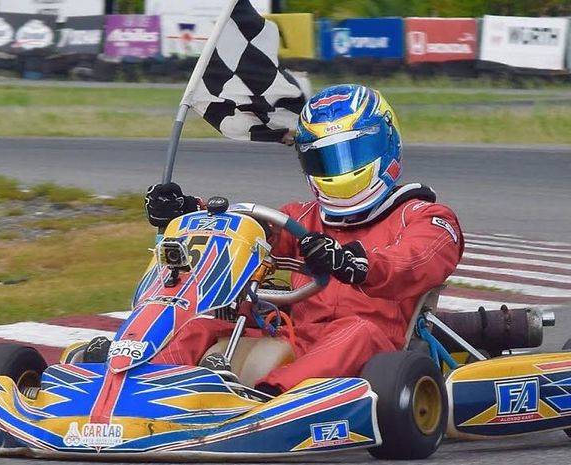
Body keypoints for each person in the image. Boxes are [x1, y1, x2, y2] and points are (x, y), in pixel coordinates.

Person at [145, 84, 464, 395]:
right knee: (198, 327)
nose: (340, 171)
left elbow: (414, 261)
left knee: (356, 331)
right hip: (298, 336)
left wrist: (355, 263)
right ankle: (146, 388)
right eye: (326, 159)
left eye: (353, 153)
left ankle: (271, 399)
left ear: (385, 143)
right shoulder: (302, 218)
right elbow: (246, 230)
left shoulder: (425, 217)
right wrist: (187, 212)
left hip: (376, 350)